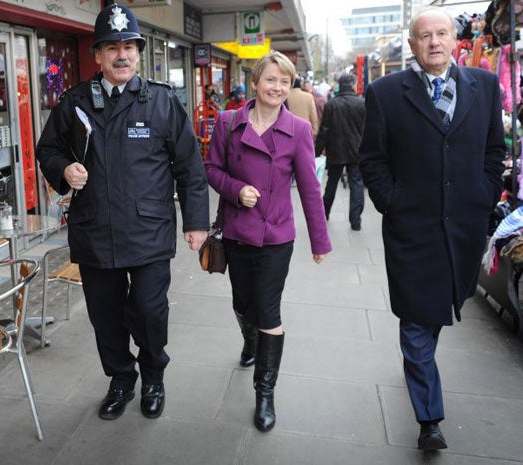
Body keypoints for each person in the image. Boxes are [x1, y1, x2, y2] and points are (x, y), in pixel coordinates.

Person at [36, 3, 209, 422]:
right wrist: (64, 169)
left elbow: (190, 168)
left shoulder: (163, 102)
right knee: (106, 317)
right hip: (95, 230)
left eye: (129, 45)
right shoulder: (75, 102)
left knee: (149, 310)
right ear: (97, 55)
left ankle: (153, 376)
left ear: (139, 52)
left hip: (148, 229)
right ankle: (120, 378)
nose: (122, 54)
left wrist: (197, 222)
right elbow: (48, 150)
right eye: (112, 46)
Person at [358, 7, 505, 451]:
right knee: (416, 320)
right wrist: (393, 203)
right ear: (412, 44)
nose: (434, 42)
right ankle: (429, 420)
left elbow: (494, 151)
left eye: (442, 33)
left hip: (463, 229)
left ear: (455, 39)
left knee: (440, 308)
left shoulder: (485, 85)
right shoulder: (384, 93)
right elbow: (372, 159)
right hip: (411, 232)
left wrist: (483, 193)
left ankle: (419, 367)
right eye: (425, 36)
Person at [205, 50, 332, 433]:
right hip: (238, 234)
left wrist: (319, 240)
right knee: (242, 303)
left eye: (285, 82)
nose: (278, 88)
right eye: (271, 80)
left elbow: (310, 188)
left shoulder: (297, 129)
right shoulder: (228, 123)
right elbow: (210, 168)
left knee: (268, 310)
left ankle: (265, 393)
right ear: (256, 81)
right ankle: (249, 339)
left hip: (277, 234)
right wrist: (236, 189)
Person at [315, 73, 366, 230]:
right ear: (352, 84)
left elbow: (324, 130)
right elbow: (367, 130)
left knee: (331, 184)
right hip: (356, 151)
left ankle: (325, 214)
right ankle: (355, 220)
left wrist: (317, 150)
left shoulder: (331, 104)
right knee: (356, 184)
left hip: (335, 151)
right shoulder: (361, 103)